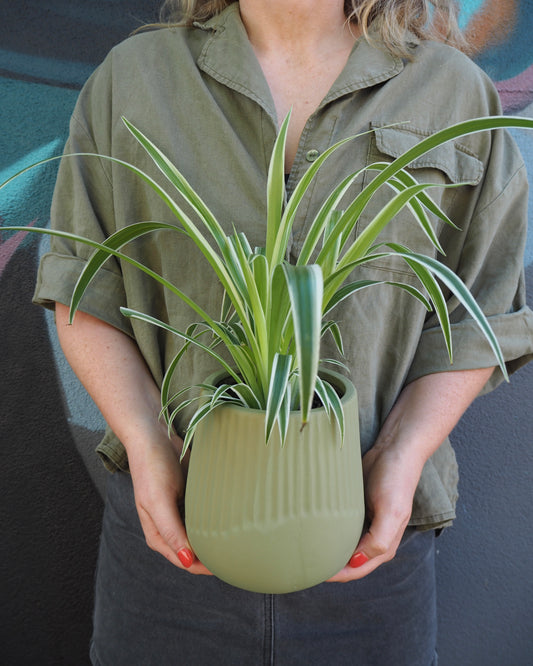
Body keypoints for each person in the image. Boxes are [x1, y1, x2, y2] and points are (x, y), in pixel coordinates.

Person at [33, 1, 533, 664]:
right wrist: (148, 446)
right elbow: (83, 292)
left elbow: (481, 314)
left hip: (368, 548)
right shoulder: (137, 77)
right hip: (172, 549)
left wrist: (400, 455)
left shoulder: (448, 89)